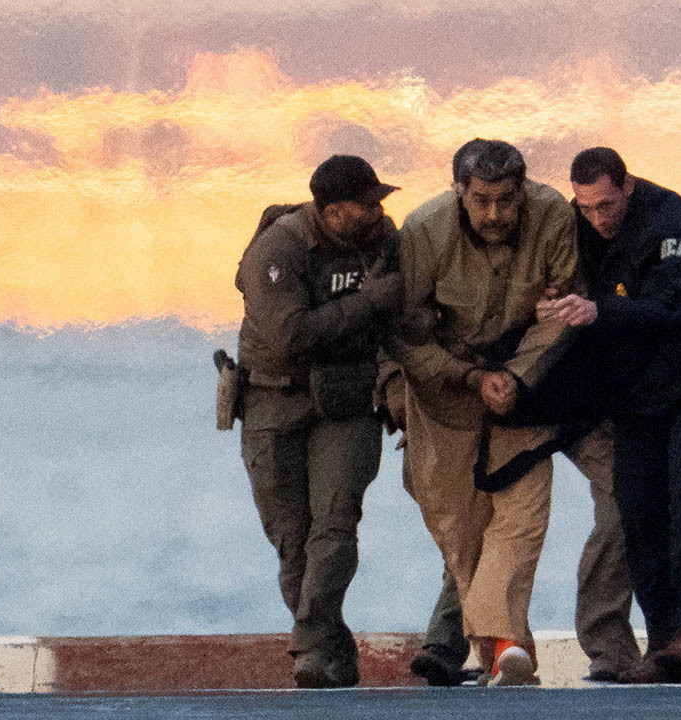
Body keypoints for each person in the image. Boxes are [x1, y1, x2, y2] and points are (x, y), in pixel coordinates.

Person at [534, 147, 681, 683]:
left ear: (626, 187)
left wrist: (599, 311)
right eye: (587, 208)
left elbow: (679, 307)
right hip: (633, 386)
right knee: (635, 504)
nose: (598, 219)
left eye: (607, 204)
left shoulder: (677, 226)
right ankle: (663, 639)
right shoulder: (576, 225)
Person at [386, 138, 579, 686]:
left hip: (525, 387)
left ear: (523, 193)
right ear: (459, 194)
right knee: (461, 526)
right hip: (445, 391)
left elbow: (565, 305)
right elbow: (403, 334)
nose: (495, 214)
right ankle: (497, 645)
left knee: (523, 515)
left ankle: (507, 647)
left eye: (506, 200)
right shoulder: (423, 232)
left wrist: (518, 375)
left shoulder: (553, 217)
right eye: (481, 200)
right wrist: (469, 377)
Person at [234, 155, 402, 688]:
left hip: (347, 402)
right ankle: (330, 645)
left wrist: (396, 382)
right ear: (329, 212)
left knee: (334, 526)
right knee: (291, 536)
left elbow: (401, 316)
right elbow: (288, 337)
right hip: (273, 401)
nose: (377, 211)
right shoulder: (279, 249)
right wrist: (366, 301)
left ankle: (309, 646)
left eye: (379, 201)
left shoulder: (382, 240)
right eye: (365, 204)